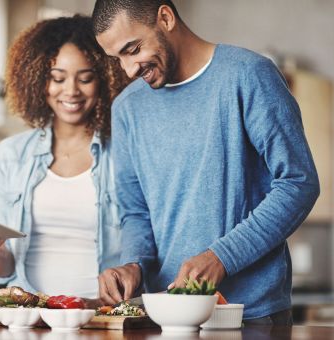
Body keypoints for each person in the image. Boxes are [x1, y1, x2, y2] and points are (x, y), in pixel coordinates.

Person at [91, 0, 320, 325]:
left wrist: (222, 257)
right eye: (118, 58)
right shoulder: (127, 109)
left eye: (134, 49)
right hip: (167, 315)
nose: (128, 70)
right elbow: (136, 211)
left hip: (250, 315)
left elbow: (299, 183)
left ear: (166, 18)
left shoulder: (248, 76)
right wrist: (134, 264)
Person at [0, 15, 128, 300]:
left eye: (85, 78)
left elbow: (143, 248)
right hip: (29, 314)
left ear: (104, 80)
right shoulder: (11, 156)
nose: (71, 91)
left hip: (103, 316)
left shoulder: (124, 154)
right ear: (37, 81)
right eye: (57, 78)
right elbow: (4, 270)